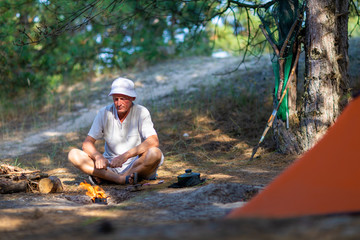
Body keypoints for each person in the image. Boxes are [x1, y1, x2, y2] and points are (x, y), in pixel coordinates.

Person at [68, 77, 164, 185]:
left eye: (123, 98)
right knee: (73, 154)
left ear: (132, 98)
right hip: (110, 166)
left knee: (155, 153)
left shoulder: (141, 112)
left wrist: (125, 156)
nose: (119, 103)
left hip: (135, 165)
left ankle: (111, 178)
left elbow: (153, 141)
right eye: (116, 99)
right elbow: (87, 143)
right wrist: (98, 156)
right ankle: (121, 179)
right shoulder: (104, 113)